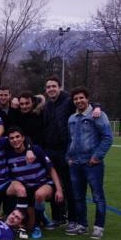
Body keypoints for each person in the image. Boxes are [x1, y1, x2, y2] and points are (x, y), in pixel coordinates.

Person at [42, 76, 101, 230]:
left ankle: (73, 219)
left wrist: (97, 107)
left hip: (66, 150)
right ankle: (58, 217)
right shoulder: (47, 106)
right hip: (50, 150)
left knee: (70, 186)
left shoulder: (68, 100)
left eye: (54, 86)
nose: (51, 89)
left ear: (59, 87)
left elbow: (85, 103)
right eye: (48, 87)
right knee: (55, 185)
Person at [65, 87, 113, 239]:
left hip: (92, 164)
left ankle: (99, 227)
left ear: (87, 98)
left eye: (81, 98)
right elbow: (70, 140)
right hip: (75, 163)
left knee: (97, 196)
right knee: (78, 197)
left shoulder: (98, 115)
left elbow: (107, 137)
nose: (79, 101)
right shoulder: (72, 118)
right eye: (76, 99)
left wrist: (97, 156)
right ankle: (82, 225)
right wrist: (69, 157)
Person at [6, 126, 63, 239]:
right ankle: (38, 216)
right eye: (12, 138)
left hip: (43, 184)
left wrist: (59, 189)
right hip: (26, 189)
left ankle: (37, 224)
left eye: (18, 137)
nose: (15, 140)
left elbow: (51, 169)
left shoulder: (36, 150)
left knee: (39, 195)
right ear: (9, 140)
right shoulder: (8, 154)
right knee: (28, 226)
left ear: (23, 138)